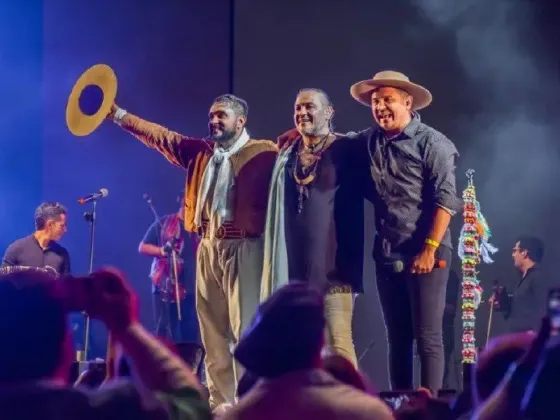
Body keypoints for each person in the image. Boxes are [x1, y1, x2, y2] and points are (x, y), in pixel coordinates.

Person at [107, 95, 277, 412]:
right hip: (208, 244)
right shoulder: (200, 152)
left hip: (244, 246)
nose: (213, 121)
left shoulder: (264, 152)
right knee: (212, 331)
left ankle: (248, 401)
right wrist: (119, 115)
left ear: (240, 121)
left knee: (245, 329)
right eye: (211, 116)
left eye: (221, 116)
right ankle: (220, 402)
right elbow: (160, 136)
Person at [348, 70, 463, 393]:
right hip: (388, 251)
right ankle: (400, 405)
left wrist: (429, 248)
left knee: (427, 336)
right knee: (397, 336)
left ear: (408, 103)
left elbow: (446, 201)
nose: (381, 107)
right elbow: (335, 142)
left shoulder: (433, 143)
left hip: (428, 249)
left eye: (388, 100)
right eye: (375, 101)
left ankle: (429, 406)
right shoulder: (369, 140)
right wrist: (296, 133)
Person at [261, 88, 371, 366]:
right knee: (302, 350)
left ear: (329, 112)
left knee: (339, 343)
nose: (302, 113)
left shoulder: (348, 148)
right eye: (297, 109)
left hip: (336, 270)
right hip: (296, 272)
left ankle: (353, 407)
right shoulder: (287, 154)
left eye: (309, 106)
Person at [138, 191, 200, 344]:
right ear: (184, 203)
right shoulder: (165, 223)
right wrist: (162, 251)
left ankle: (188, 365)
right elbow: (142, 247)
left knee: (190, 334)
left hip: (191, 288)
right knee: (165, 332)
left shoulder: (197, 229)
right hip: (166, 287)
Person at [491, 236, 548, 333]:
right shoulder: (522, 278)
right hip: (518, 336)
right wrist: (501, 302)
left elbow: (542, 310)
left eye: (515, 251)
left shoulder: (539, 277)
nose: (513, 255)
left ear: (524, 253)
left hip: (529, 339)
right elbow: (520, 306)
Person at [2, 201, 70, 275]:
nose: (65, 230)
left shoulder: (62, 253)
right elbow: (3, 281)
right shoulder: (16, 249)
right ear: (50, 224)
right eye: (62, 226)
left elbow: (67, 285)